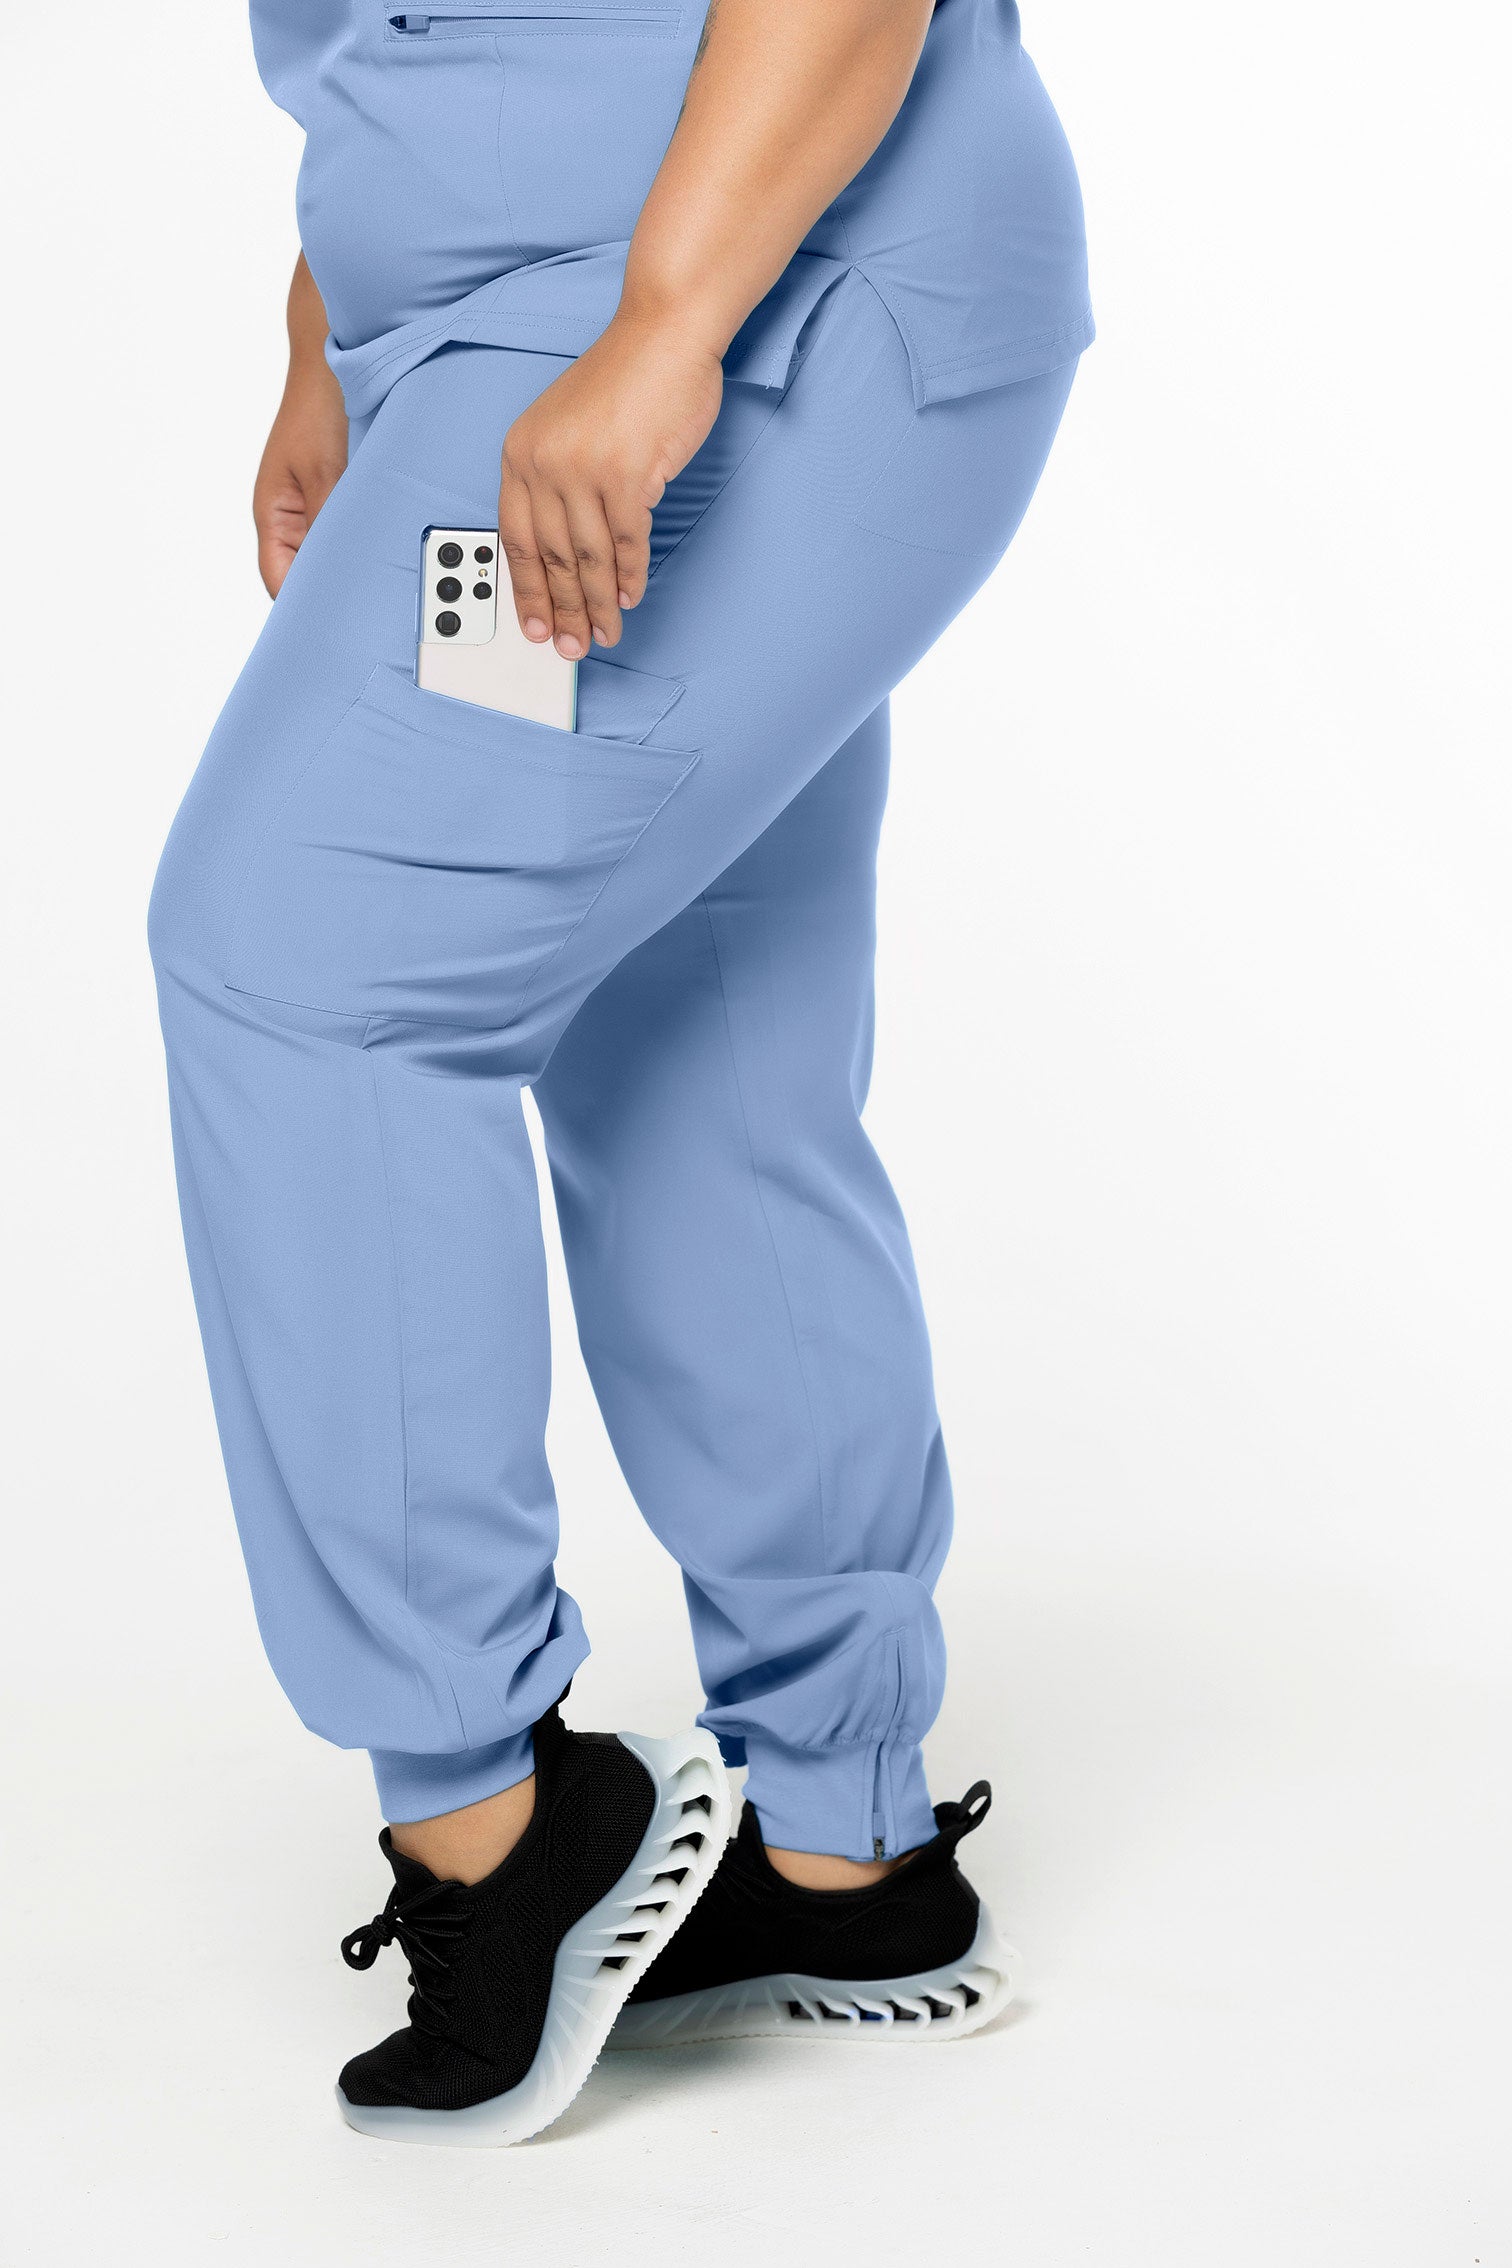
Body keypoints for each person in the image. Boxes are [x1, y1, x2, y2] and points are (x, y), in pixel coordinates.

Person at [148, 0, 1092, 2145]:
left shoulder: (674, 317)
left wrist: (666, 327)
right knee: (693, 1040)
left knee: (304, 974)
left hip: (733, 313)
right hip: (556, 339)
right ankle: (846, 1848)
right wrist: (334, 327)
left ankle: (496, 1828)